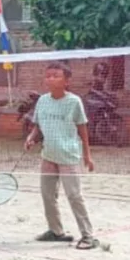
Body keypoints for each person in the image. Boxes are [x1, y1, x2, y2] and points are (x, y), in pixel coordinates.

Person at [26, 62, 96, 249]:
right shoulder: (42, 101)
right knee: (48, 195)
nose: (50, 78)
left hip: (68, 156)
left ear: (66, 80)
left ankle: (88, 236)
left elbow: (82, 128)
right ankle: (56, 231)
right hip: (48, 155)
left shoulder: (74, 102)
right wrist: (31, 138)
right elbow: (38, 125)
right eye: (48, 75)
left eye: (55, 75)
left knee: (74, 195)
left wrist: (87, 156)